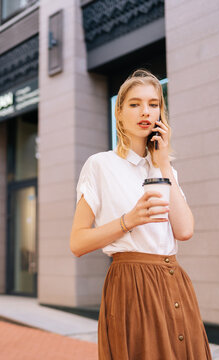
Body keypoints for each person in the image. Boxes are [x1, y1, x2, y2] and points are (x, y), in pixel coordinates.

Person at [70, 69, 211, 359]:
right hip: (130, 284)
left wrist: (164, 164)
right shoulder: (100, 165)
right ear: (119, 113)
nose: (145, 111)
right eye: (134, 104)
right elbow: (78, 242)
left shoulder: (164, 168)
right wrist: (128, 221)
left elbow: (184, 231)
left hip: (173, 282)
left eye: (153, 104)